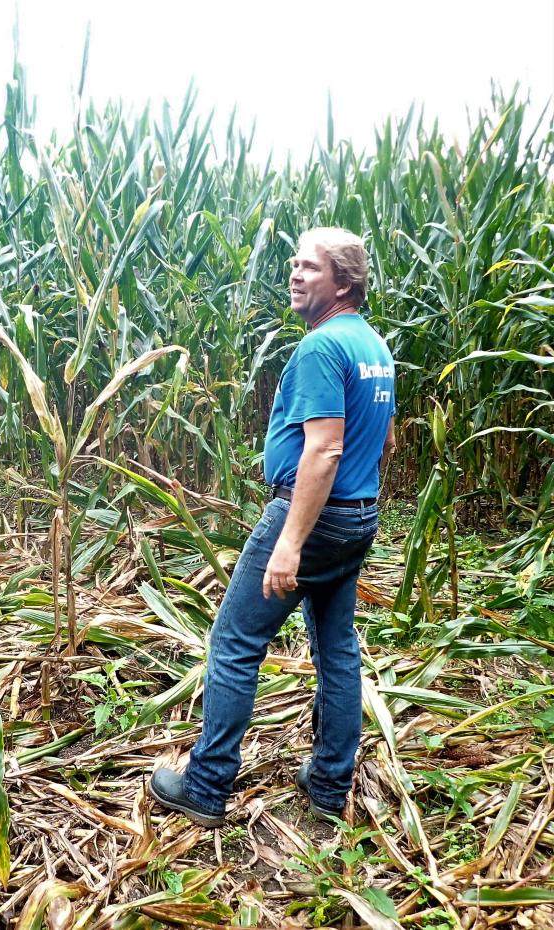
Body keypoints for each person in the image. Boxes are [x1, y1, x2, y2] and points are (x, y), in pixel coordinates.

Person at [150, 227, 396, 827]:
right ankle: (331, 786)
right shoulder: (374, 347)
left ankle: (206, 787)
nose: (295, 274)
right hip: (358, 515)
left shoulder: (320, 349)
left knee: (234, 644)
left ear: (343, 281)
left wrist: (289, 543)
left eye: (309, 267)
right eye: (293, 263)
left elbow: (324, 451)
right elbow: (384, 437)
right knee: (337, 647)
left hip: (311, 517)